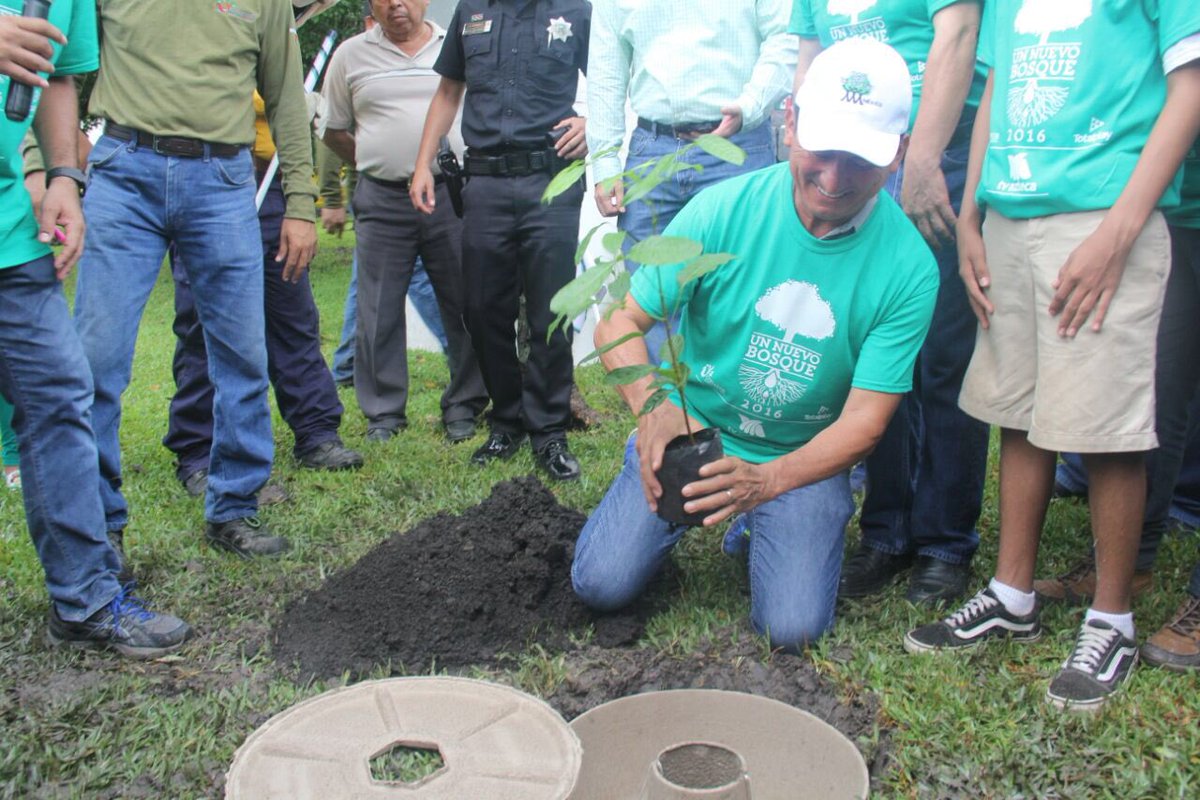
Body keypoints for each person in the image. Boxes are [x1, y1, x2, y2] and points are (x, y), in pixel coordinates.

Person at [572, 39, 937, 651]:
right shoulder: (723, 210)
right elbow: (618, 324)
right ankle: (688, 498)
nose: (834, 177)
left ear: (898, 153)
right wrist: (656, 410)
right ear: (789, 121)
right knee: (601, 584)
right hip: (698, 431)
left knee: (792, 629)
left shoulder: (908, 268)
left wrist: (768, 483)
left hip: (803, 456)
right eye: (822, 149)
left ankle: (757, 523)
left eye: (861, 159)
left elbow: (867, 423)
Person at [905, 2, 1200, 711]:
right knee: (1019, 408)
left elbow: (1189, 89)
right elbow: (994, 95)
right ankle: (1013, 591)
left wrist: (1120, 231)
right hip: (1011, 213)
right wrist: (973, 213)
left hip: (1103, 213)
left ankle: (1111, 618)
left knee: (1109, 424)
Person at [74, 0, 318, 558]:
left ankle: (233, 507)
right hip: (123, 170)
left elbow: (285, 97)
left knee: (242, 357)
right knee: (97, 360)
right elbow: (60, 66)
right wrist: (58, 164)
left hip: (223, 179)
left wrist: (301, 203)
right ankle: (96, 526)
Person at [0, 3, 191, 656]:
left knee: (59, 396)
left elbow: (55, 75)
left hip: (10, 230)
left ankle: (84, 599)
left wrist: (62, 175)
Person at [792, 0, 989, 605]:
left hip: (935, 148)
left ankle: (944, 541)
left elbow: (957, 33)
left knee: (943, 356)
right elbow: (808, 62)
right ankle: (886, 531)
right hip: (848, 156)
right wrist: (803, 151)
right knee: (877, 348)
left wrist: (923, 161)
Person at [411, 0, 590, 480]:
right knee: (483, 307)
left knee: (551, 313)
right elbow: (449, 89)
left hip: (550, 181)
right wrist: (422, 163)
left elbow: (613, 79)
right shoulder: (472, 10)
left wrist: (592, 122)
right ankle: (507, 421)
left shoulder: (577, 9)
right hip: (485, 182)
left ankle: (549, 430)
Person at [163, 91, 364, 499]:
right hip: (202, 178)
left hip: (271, 181)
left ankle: (316, 431)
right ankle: (199, 451)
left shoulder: (270, 33)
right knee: (203, 324)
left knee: (292, 315)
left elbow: (286, 112)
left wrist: (300, 201)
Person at [586, 0, 795, 357]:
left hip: (736, 142)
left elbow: (785, 37)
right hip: (653, 147)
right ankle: (664, 407)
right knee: (649, 293)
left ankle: (724, 408)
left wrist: (751, 104)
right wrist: (605, 161)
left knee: (741, 287)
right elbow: (607, 65)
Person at [322, 0, 488, 443]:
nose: (396, 4)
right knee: (377, 309)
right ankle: (384, 413)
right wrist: (378, 155)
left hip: (449, 193)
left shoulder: (455, 44)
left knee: (464, 302)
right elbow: (334, 129)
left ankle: (464, 405)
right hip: (382, 197)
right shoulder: (350, 55)